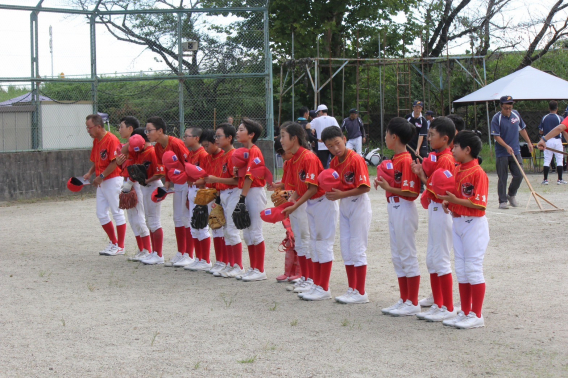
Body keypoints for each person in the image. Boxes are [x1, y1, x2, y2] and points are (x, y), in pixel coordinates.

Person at [439, 131, 490, 329]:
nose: (452, 150)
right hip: (459, 222)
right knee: (461, 269)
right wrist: (449, 203)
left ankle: (476, 315)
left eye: (456, 147)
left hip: (473, 224)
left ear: (467, 150)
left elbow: (479, 204)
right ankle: (466, 311)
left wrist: (454, 201)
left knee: (473, 268)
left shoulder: (478, 173)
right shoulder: (459, 169)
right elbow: (458, 197)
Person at [280, 122, 336, 301]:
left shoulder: (307, 157)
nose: (281, 140)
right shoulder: (295, 158)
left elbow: (312, 188)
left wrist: (295, 205)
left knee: (320, 244)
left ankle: (320, 285)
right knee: (311, 243)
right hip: (312, 203)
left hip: (321, 202)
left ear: (294, 138)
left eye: (283, 136)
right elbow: (299, 187)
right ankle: (313, 281)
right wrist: (290, 201)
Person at [411, 117, 457, 321]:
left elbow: (439, 188)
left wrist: (421, 176)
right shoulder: (439, 156)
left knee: (441, 258)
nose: (429, 138)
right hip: (435, 209)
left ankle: (446, 306)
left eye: (432, 135)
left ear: (445, 138)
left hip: (442, 209)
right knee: (432, 258)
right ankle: (438, 301)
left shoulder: (446, 159)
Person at [374, 117, 421, 317]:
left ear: (394, 137)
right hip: (394, 208)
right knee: (397, 255)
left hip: (404, 207)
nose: (385, 137)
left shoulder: (406, 160)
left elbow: (411, 193)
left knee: (407, 254)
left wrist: (388, 187)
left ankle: (413, 301)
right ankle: (404, 299)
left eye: (386, 134)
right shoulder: (396, 159)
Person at [322, 126, 372, 304]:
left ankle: (361, 292)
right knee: (346, 248)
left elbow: (365, 187)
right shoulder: (334, 162)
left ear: (344, 139)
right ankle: (352, 288)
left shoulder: (356, 159)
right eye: (330, 146)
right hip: (344, 205)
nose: (335, 148)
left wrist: (340, 194)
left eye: (337, 143)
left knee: (358, 248)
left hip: (358, 204)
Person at [145, 116, 192, 265]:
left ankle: (189, 255)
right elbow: (166, 167)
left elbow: (189, 163)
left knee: (186, 218)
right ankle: (181, 252)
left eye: (149, 130)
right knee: (177, 218)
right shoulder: (158, 147)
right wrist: (167, 183)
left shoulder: (176, 143)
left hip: (187, 182)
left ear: (160, 130)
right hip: (177, 184)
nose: (147, 133)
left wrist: (190, 189)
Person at [204, 123, 245, 278]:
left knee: (232, 230)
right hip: (224, 194)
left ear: (229, 138)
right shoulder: (222, 155)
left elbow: (236, 181)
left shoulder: (234, 155)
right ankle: (229, 263)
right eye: (216, 136)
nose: (217, 138)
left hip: (234, 192)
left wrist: (216, 179)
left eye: (219, 135)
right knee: (226, 229)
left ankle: (238, 265)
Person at [83, 114, 127, 256]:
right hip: (102, 180)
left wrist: (101, 177)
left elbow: (115, 162)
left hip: (112, 179)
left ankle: (120, 246)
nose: (88, 130)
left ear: (99, 127)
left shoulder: (111, 139)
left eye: (89, 127)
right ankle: (113, 242)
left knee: (117, 212)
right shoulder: (97, 141)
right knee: (101, 213)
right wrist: (90, 173)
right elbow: (96, 160)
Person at [233, 118, 268, 282]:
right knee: (247, 232)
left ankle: (260, 269)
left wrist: (242, 198)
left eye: (241, 130)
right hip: (246, 191)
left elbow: (250, 178)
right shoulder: (244, 151)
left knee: (255, 231)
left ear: (251, 134)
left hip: (253, 192)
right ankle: (252, 268)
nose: (237, 132)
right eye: (238, 129)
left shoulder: (254, 151)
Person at [127, 133, 166, 265]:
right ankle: (154, 253)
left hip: (153, 185)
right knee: (149, 221)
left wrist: (146, 180)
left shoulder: (151, 152)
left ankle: (159, 254)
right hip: (145, 187)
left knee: (154, 221)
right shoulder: (139, 153)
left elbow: (160, 172)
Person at [116, 118, 151, 261]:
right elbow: (122, 163)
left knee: (139, 217)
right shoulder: (128, 148)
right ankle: (141, 249)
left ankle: (147, 249)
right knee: (132, 218)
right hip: (127, 183)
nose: (119, 129)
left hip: (135, 183)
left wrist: (130, 182)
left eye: (121, 126)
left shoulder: (137, 148)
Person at [490, 96, 533, 209]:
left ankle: (511, 194)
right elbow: (496, 136)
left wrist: (529, 142)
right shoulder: (496, 118)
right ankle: (502, 201)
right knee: (502, 177)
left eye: (510, 107)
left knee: (519, 174)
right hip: (502, 152)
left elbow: (522, 129)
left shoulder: (516, 115)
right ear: (501, 106)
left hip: (515, 150)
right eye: (506, 108)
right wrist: (506, 146)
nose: (508, 110)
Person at [184, 127, 212, 271]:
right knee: (194, 225)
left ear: (196, 138)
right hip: (191, 190)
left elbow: (206, 176)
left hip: (200, 190)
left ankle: (205, 260)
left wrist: (202, 195)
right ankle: (199, 258)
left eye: (187, 136)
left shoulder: (203, 154)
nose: (184, 138)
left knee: (201, 225)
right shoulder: (190, 154)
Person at [199, 129, 227, 274]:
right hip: (211, 195)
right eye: (202, 146)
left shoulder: (225, 155)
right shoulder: (206, 157)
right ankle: (219, 261)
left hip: (223, 194)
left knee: (225, 229)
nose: (204, 148)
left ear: (215, 142)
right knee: (215, 227)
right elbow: (203, 177)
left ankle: (227, 262)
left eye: (206, 145)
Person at [539, 100, 566, 185]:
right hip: (557, 140)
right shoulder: (560, 118)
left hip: (547, 140)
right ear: (557, 108)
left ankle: (545, 179)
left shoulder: (545, 117)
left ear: (549, 108)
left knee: (547, 159)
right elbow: (563, 130)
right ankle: (560, 179)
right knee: (559, 159)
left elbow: (541, 131)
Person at [310, 104, 340, 169]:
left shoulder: (316, 120)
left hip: (321, 145)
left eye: (318, 112)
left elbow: (308, 127)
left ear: (321, 111)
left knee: (322, 165)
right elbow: (338, 130)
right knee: (336, 162)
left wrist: (312, 131)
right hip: (332, 144)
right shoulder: (332, 119)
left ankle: (323, 177)